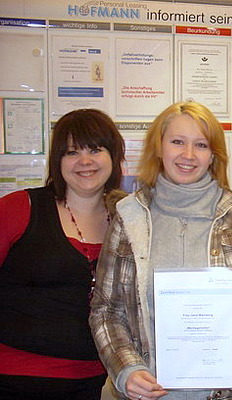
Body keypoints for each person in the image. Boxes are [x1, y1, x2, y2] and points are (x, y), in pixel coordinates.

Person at [89, 102, 232, 400]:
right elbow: (106, 310)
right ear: (159, 147)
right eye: (177, 142)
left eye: (201, 145)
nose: (188, 155)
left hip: (222, 393)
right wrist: (127, 369)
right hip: (152, 392)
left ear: (213, 155)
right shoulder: (130, 215)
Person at [0, 108, 125, 399]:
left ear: (114, 156)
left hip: (92, 380)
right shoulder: (19, 208)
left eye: (95, 149)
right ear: (57, 161)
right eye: (71, 152)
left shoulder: (127, 220)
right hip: (14, 377)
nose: (85, 161)